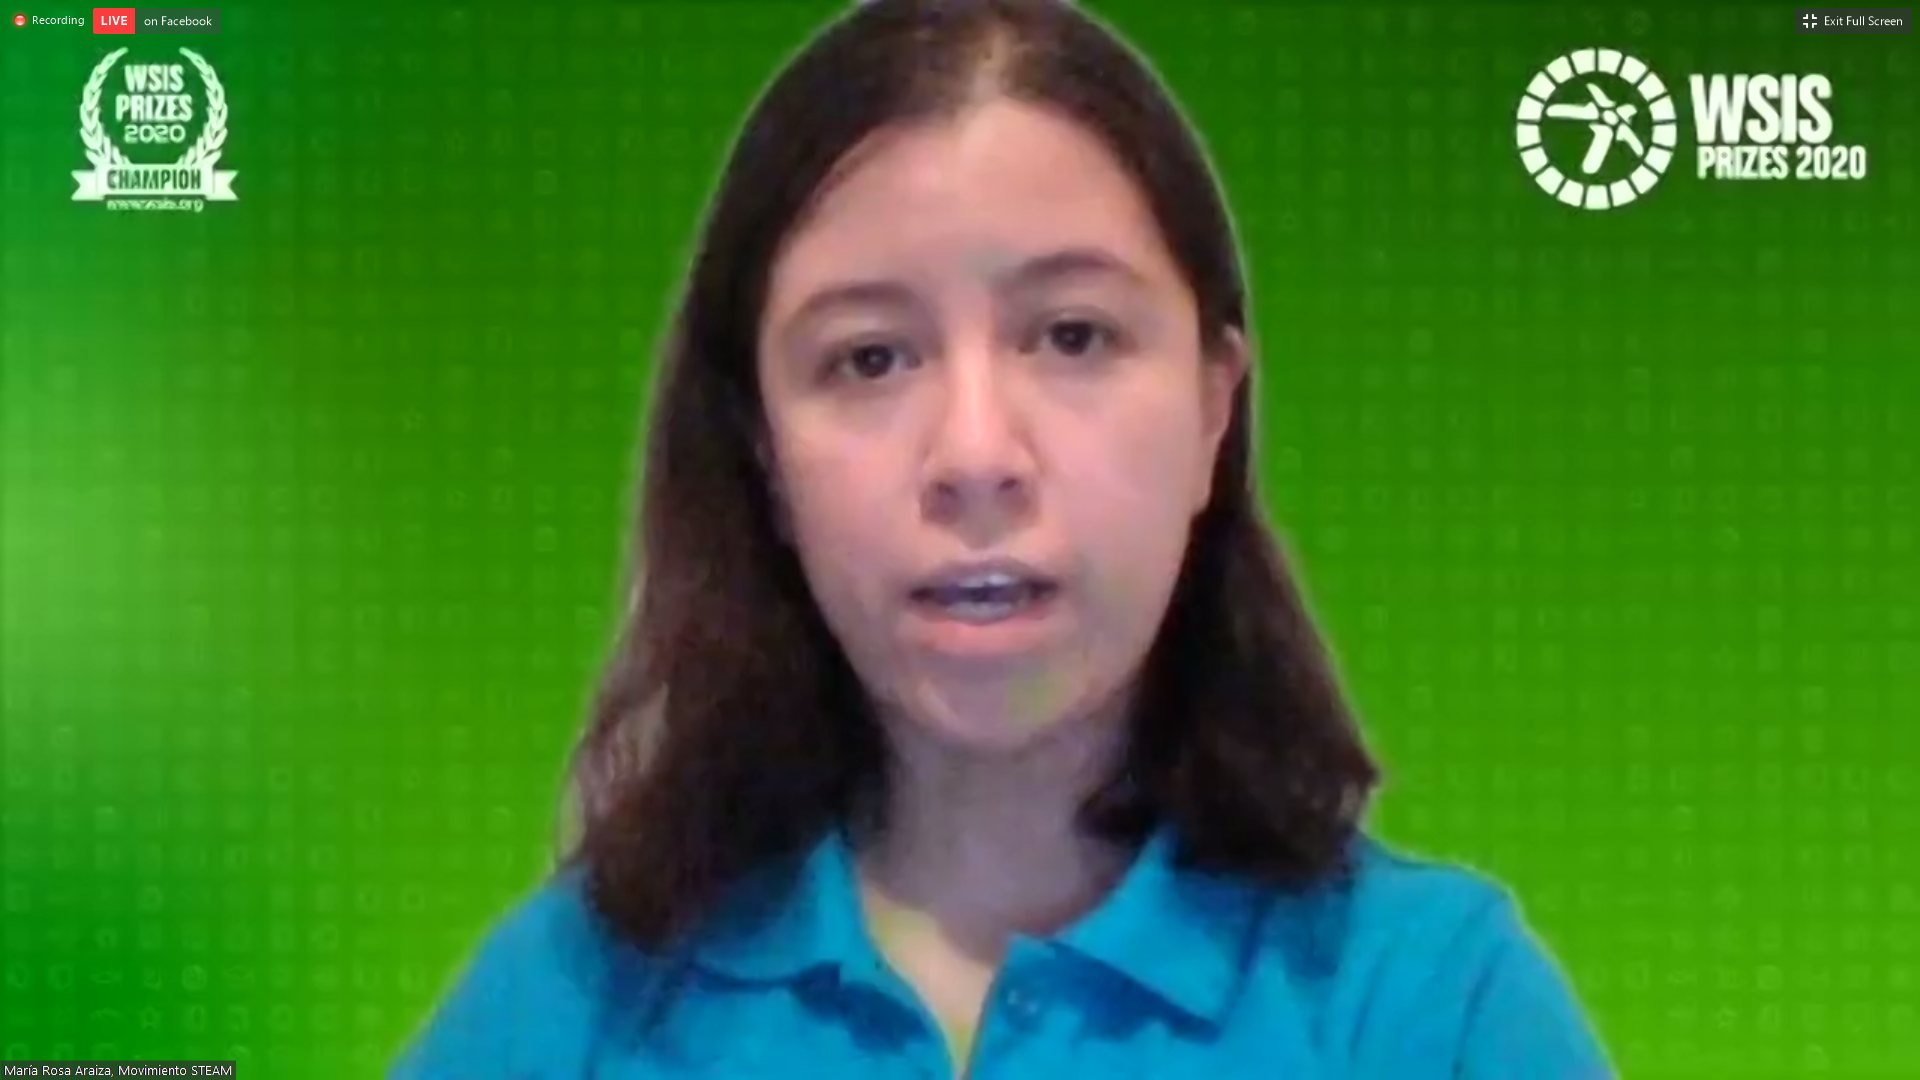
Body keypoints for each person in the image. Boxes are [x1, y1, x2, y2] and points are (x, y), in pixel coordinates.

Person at [392, 0, 1614, 1076]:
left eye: (1073, 336)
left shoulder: (1431, 1009)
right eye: (871, 357)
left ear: (1212, 407)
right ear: (763, 454)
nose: (976, 456)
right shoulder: (572, 1002)